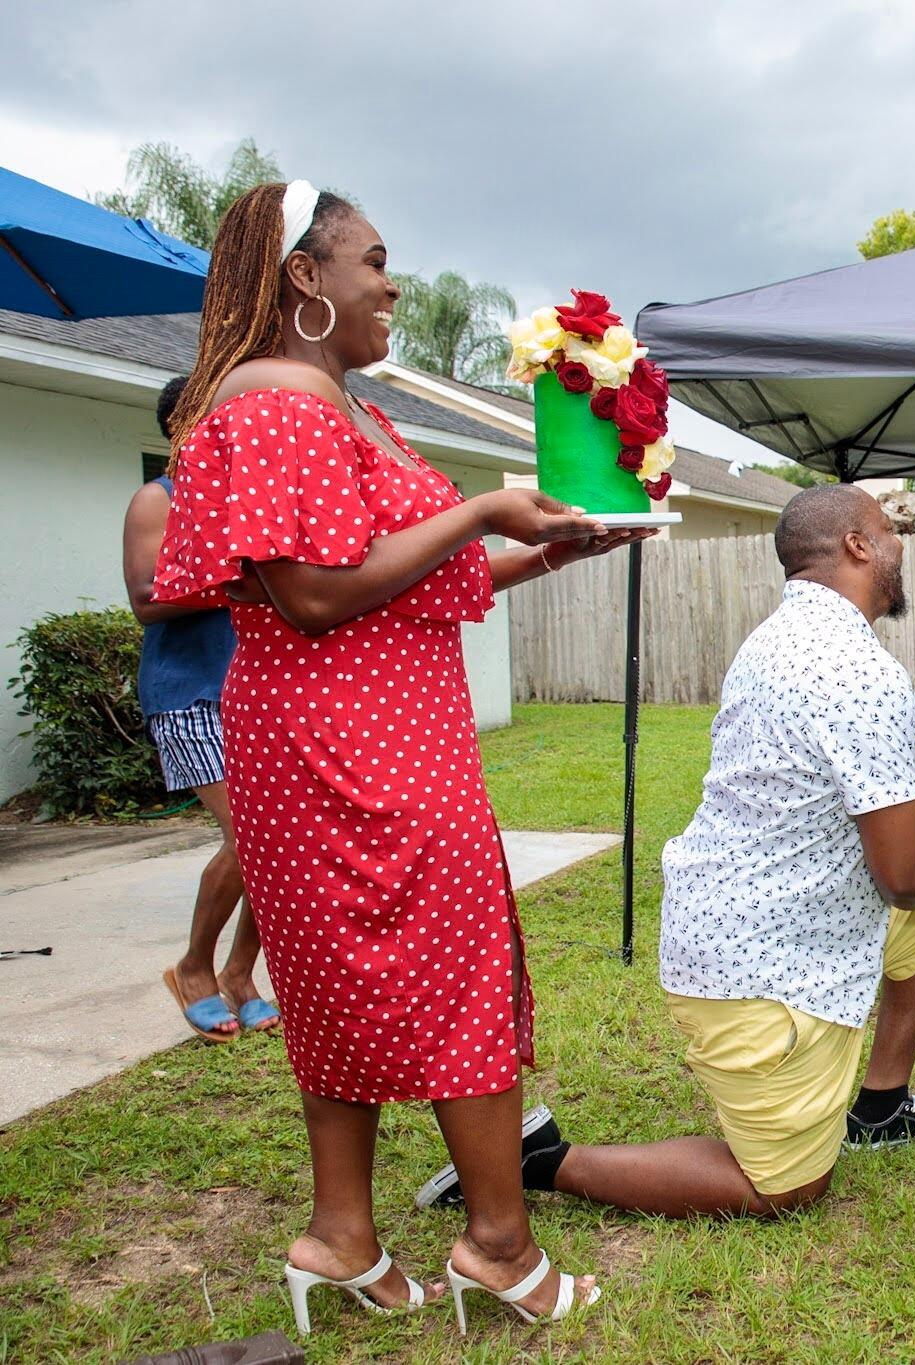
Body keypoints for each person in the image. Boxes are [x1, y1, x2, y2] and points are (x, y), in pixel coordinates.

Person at [151, 178, 648, 1331]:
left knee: (338, 986)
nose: (393, 284)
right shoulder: (278, 404)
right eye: (373, 260)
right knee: (454, 974)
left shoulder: (337, 405)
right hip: (351, 749)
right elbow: (312, 595)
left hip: (349, 737)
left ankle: (340, 1239)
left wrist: (557, 548)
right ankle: (498, 1248)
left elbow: (406, 578)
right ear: (304, 280)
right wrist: (481, 511)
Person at [415, 484, 915, 1219]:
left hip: (751, 918)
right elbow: (900, 876)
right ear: (857, 544)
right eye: (888, 530)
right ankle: (536, 1159)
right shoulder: (860, 670)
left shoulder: (777, 639)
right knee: (784, 1186)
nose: (898, 545)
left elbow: (848, 790)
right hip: (760, 963)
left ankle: (881, 1107)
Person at [123, 375, 277, 1042]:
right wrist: (249, 582)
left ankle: (241, 973)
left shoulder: (248, 499)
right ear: (182, 428)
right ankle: (193, 967)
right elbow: (146, 596)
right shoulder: (157, 499)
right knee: (248, 835)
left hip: (257, 690)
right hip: (190, 693)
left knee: (276, 842)